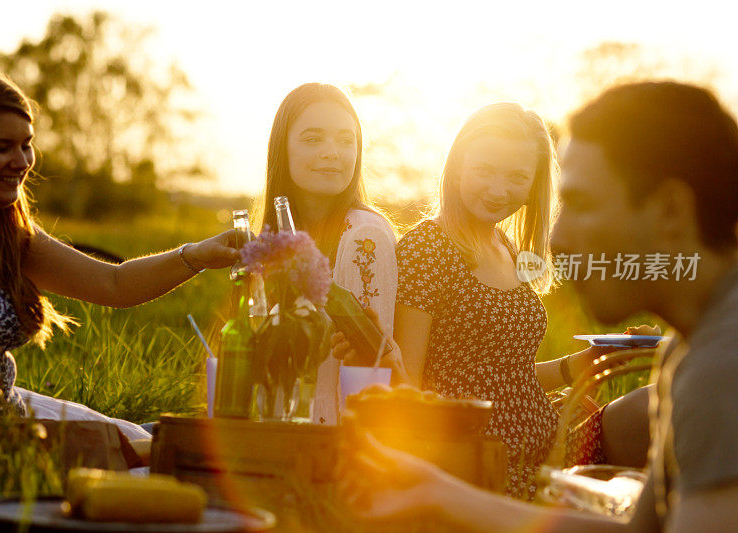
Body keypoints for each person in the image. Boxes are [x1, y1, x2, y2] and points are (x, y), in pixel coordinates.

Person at [340, 81, 738, 531]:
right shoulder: (688, 355)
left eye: (582, 204)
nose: (559, 239)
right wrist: (440, 491)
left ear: (670, 211)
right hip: (493, 452)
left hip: (537, 439)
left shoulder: (720, 365)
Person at [0, 70, 239, 440]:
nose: (21, 161)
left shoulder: (10, 236)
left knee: (147, 441)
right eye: (1, 147)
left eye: (26, 145)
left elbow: (115, 284)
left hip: (9, 419)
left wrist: (199, 255)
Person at [392, 102, 616, 498]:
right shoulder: (426, 248)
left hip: (547, 446)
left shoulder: (507, 248)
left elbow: (503, 370)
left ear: (535, 184)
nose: (499, 191)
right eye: (484, 171)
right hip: (481, 462)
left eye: (517, 177)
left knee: (655, 407)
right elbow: (407, 382)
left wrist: (574, 368)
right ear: (458, 165)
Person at [254, 83, 399, 425]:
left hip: (337, 437)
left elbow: (368, 373)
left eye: (346, 141)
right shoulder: (274, 241)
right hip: (275, 426)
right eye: (313, 139)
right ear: (281, 150)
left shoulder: (365, 236)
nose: (333, 152)